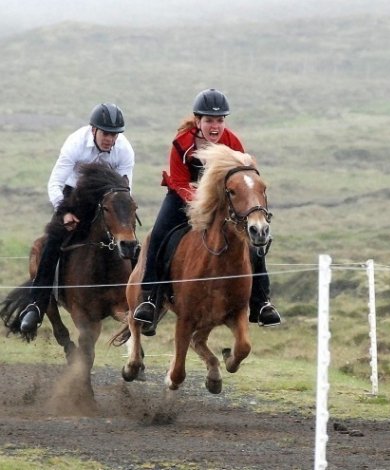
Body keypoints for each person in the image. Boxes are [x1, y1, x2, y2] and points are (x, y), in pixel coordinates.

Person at [133, 88, 281, 331]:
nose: (215, 126)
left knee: (253, 240)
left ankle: (261, 302)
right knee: (159, 235)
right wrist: (201, 199)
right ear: (198, 120)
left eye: (220, 120)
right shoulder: (181, 144)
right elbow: (180, 182)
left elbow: (243, 176)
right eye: (209, 120)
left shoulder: (232, 142)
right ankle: (150, 298)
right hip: (182, 198)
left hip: (222, 202)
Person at [19, 103, 135, 335]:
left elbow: (124, 188)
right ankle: (36, 304)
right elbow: (55, 183)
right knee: (52, 242)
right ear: (93, 130)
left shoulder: (125, 150)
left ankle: (142, 300)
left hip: (110, 198)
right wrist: (64, 213)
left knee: (131, 240)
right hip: (75, 196)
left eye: (114, 134)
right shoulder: (75, 143)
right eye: (105, 133)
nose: (110, 139)